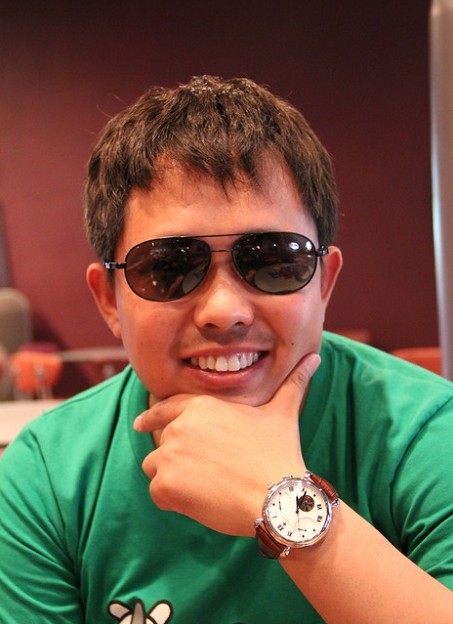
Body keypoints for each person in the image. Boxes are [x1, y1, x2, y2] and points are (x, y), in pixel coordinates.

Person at [1, 75, 453, 624]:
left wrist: (281, 500)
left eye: (273, 260)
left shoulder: (426, 433)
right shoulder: (45, 477)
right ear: (108, 300)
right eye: (169, 267)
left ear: (324, 282)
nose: (225, 310)